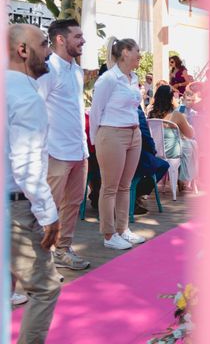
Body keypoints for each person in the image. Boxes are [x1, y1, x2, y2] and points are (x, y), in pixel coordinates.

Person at [6, 24, 62, 343]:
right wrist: (48, 216)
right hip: (14, 210)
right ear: (23, 50)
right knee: (45, 289)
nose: (49, 51)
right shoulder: (26, 97)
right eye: (43, 44)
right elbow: (27, 167)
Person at [37, 18, 90, 271]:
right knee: (49, 207)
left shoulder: (76, 70)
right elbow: (34, 110)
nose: (83, 40)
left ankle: (64, 250)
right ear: (60, 39)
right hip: (55, 152)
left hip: (79, 151)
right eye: (77, 36)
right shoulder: (47, 70)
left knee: (73, 204)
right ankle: (41, 261)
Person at [89, 37, 145, 250]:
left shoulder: (134, 77)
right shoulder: (108, 79)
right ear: (125, 53)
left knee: (126, 186)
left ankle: (123, 229)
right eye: (137, 51)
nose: (140, 55)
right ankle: (109, 234)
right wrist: (96, 140)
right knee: (110, 187)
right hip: (112, 134)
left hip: (133, 134)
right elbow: (96, 112)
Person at [148, 84, 199, 187]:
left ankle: (181, 177)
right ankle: (184, 178)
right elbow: (190, 134)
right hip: (172, 151)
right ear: (171, 98)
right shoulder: (176, 115)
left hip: (155, 149)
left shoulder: (150, 115)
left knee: (185, 144)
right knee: (192, 144)